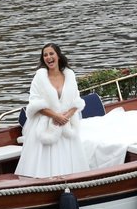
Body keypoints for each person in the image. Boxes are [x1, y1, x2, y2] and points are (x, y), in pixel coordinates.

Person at [14, 43, 88, 178]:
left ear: (58, 56)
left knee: (71, 165)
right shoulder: (39, 77)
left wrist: (67, 115)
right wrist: (55, 116)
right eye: (45, 55)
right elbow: (34, 103)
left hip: (67, 124)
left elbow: (76, 100)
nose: (49, 57)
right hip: (46, 126)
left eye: (51, 54)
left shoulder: (70, 75)